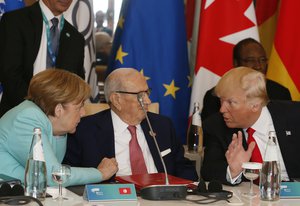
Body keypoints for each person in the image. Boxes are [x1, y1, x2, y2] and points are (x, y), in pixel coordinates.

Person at [63, 68, 198, 181]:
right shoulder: (84, 130)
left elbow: (183, 167)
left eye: (147, 93)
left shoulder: (162, 125)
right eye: (140, 95)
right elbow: (70, 175)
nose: (148, 101)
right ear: (116, 100)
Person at [0, 69, 118, 187]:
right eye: (79, 107)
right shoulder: (27, 118)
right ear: (59, 109)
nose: (83, 113)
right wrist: (100, 173)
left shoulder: (53, 123)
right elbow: (54, 176)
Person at [201, 67, 300, 185]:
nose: (222, 109)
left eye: (230, 102)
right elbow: (209, 170)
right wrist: (232, 171)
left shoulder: (294, 116)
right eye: (221, 101)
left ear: (255, 105)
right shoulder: (216, 125)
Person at [0, 0, 85, 117]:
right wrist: (37, 110)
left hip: (59, 121)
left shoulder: (76, 38)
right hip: (18, 114)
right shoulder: (15, 21)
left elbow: (76, 83)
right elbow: (9, 73)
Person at [201, 38, 291, 122]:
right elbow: (210, 133)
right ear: (236, 63)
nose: (258, 66)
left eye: (262, 60)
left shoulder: (281, 93)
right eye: (251, 60)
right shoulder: (216, 96)